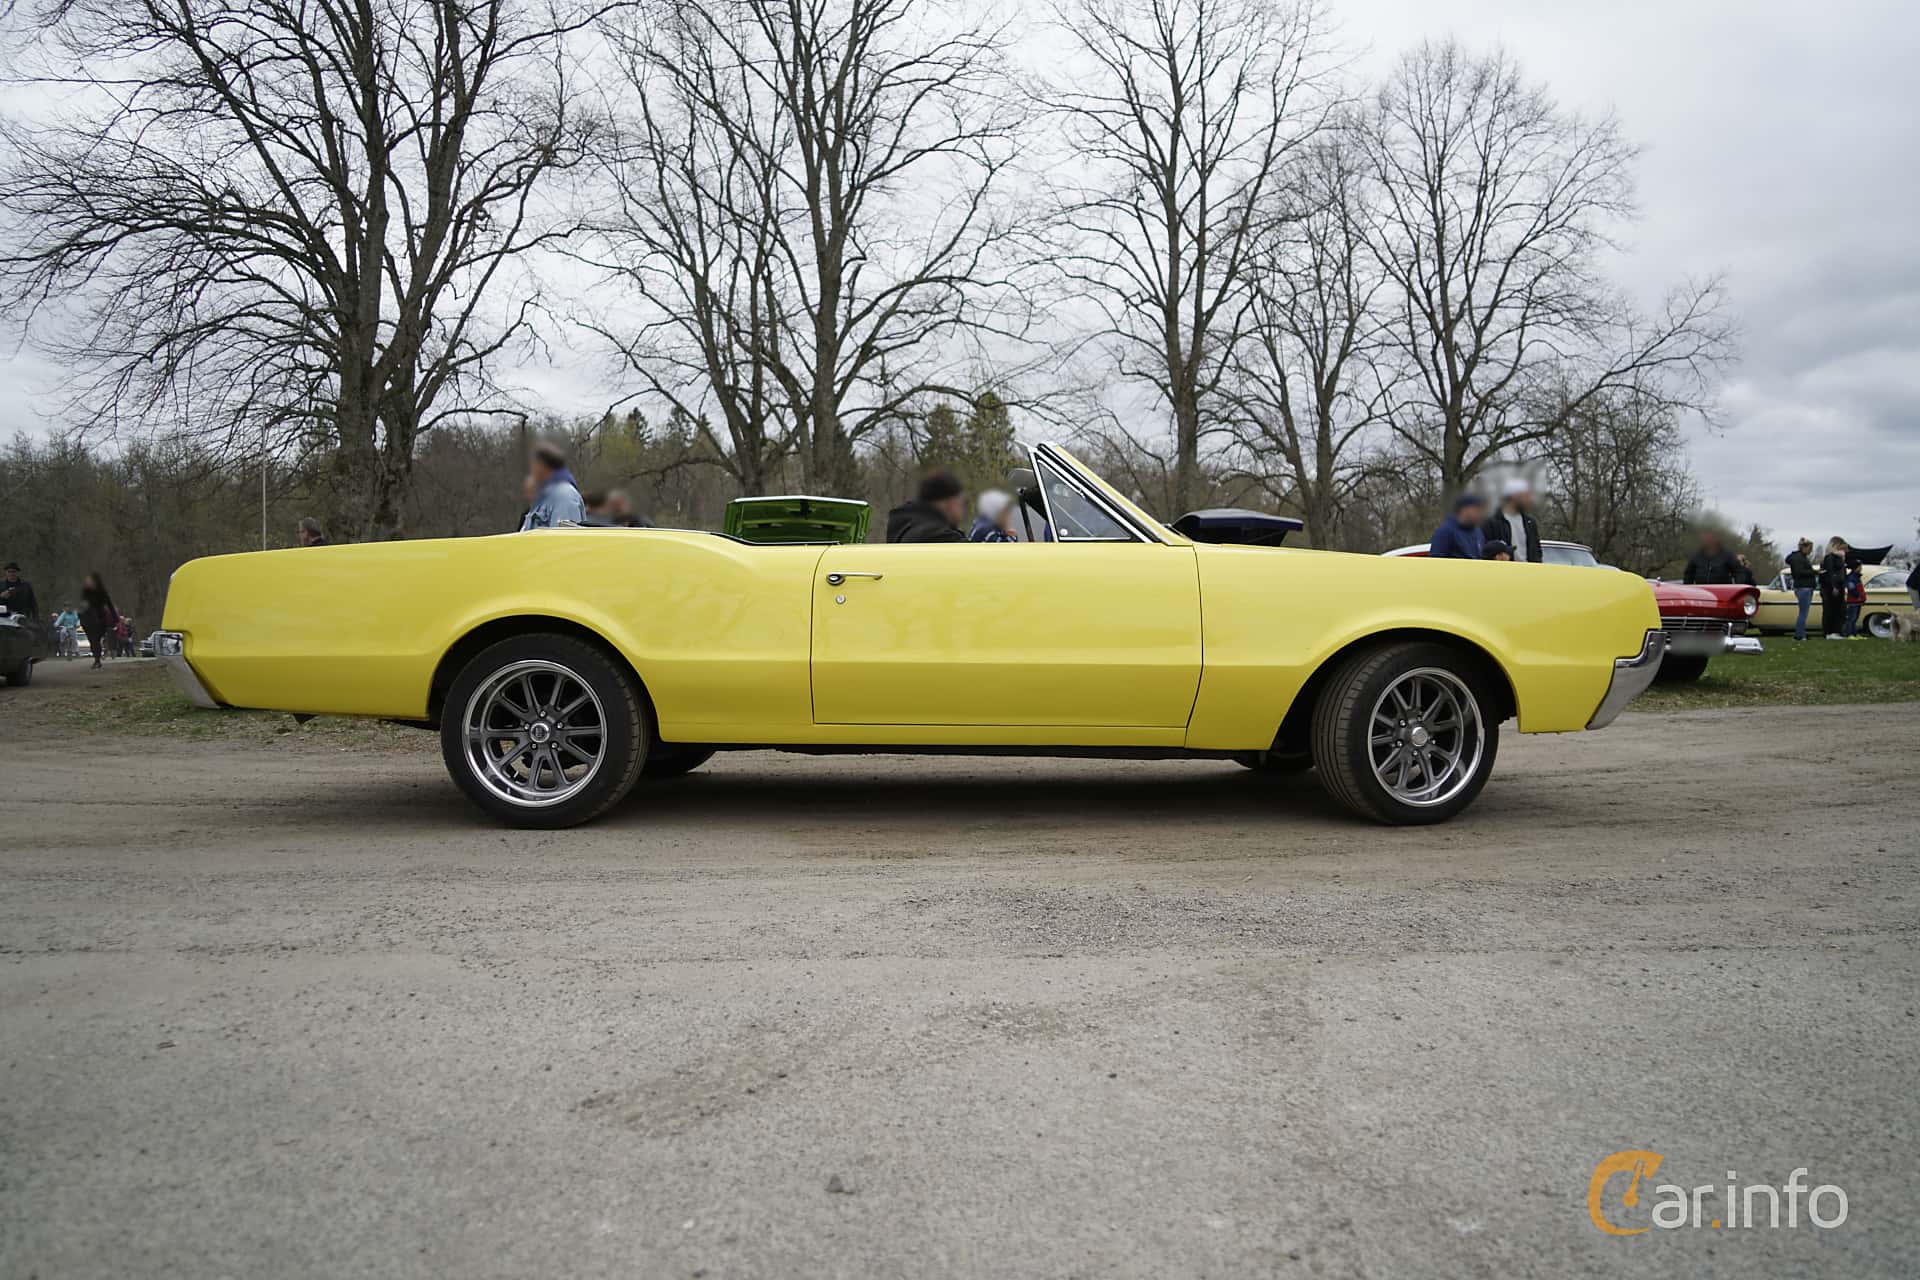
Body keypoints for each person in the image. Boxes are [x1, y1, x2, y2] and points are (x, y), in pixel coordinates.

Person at [887, 470, 968, 543]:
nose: (963, 510)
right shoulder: (938, 536)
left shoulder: (903, 529)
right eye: (962, 503)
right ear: (949, 503)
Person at [520, 443, 585, 531]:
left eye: (533, 465)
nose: (532, 471)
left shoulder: (564, 496)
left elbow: (565, 540)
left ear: (542, 466)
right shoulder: (546, 496)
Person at [1490, 478, 1541, 563]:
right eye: (1525, 495)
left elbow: (1536, 549)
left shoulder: (1530, 522)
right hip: (1505, 571)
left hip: (1529, 571)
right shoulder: (1493, 520)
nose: (1528, 499)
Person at [1428, 494, 1486, 560]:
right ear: (1465, 510)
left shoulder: (1478, 533)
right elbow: (1435, 561)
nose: (1480, 514)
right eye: (1476, 510)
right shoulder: (1445, 531)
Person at [1783, 538, 1818, 641]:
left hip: (1803, 587)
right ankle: (1799, 634)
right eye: (1810, 548)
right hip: (1804, 587)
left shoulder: (1798, 557)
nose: (1811, 551)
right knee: (1803, 612)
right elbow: (1799, 572)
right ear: (1804, 547)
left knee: (1803, 612)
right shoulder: (1799, 559)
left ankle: (1801, 632)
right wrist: (1814, 572)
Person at [79, 572, 115, 669]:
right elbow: (82, 606)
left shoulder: (102, 592)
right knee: (92, 641)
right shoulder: (86, 592)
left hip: (99, 620)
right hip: (87, 620)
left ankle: (97, 660)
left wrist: (115, 618)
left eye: (90, 581)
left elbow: (109, 604)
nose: (88, 583)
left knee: (95, 640)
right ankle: (97, 658)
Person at [1818, 538, 1850, 640]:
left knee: (1840, 610)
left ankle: (1837, 631)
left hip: (1839, 587)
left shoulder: (1839, 558)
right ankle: (1830, 632)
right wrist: (1834, 586)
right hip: (1830, 588)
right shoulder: (1830, 558)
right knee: (1830, 610)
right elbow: (1831, 573)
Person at [1843, 559, 1865, 638]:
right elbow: (1851, 588)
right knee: (1851, 618)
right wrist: (1858, 596)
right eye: (1860, 566)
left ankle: (1854, 633)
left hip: (1858, 601)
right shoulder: (1852, 577)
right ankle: (1849, 634)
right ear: (1856, 567)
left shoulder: (1857, 577)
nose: (1861, 568)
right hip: (1853, 601)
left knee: (1855, 618)